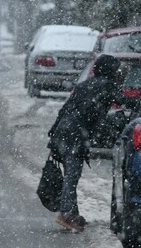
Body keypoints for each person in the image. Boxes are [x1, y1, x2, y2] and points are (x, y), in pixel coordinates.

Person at [48, 54, 133, 233]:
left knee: (71, 173)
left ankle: (73, 212)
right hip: (75, 134)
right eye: (116, 69)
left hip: (64, 131)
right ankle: (66, 214)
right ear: (110, 70)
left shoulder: (85, 85)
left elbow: (65, 108)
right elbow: (125, 101)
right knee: (72, 175)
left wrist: (54, 131)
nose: (119, 73)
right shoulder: (107, 85)